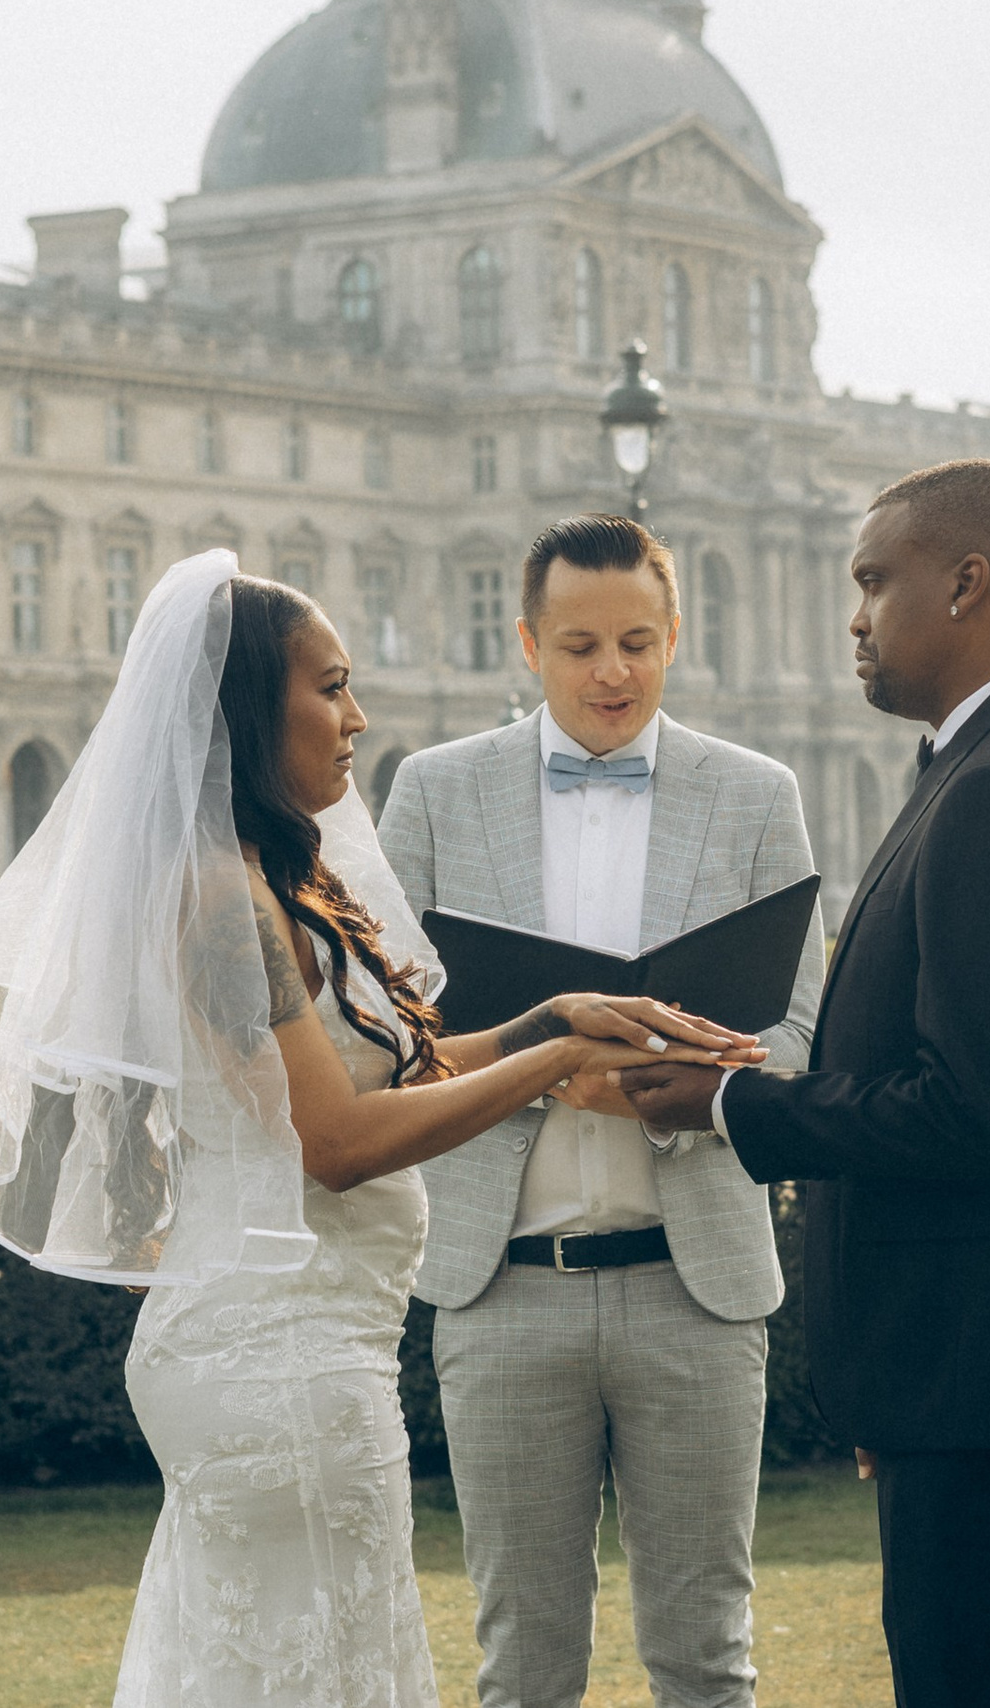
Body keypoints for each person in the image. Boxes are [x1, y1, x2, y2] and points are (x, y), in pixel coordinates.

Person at [0, 550, 763, 1708]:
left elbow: (384, 1071)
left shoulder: (252, 880)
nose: (357, 716)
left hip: (294, 1344)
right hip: (278, 1351)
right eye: (329, 688)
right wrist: (559, 1061)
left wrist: (547, 1020)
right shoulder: (222, 899)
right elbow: (336, 1140)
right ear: (244, 714)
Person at [619, 459, 990, 1708]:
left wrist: (726, 1101)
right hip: (977, 1375)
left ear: (966, 583)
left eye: (872, 582)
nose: (854, 618)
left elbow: (969, 1113)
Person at [377, 513, 825, 1708]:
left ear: (675, 634)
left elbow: (800, 1034)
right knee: (523, 1667)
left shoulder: (757, 794)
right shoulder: (432, 791)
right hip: (500, 1285)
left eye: (636, 641)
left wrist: (671, 1090)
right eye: (578, 646)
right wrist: (536, 1063)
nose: (611, 671)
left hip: (696, 1287)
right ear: (528, 643)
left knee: (706, 1660)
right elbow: (385, 1045)